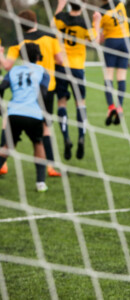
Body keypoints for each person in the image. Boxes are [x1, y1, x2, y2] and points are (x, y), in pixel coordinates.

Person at [0, 9, 64, 177]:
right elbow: (60, 60)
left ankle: (3, 164)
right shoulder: (50, 37)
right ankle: (49, 167)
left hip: (22, 92)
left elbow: (7, 66)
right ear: (35, 21)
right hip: (47, 90)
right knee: (45, 129)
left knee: (8, 124)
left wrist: (0, 55)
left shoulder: (18, 41)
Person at [53, 0, 101, 160]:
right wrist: (96, 22)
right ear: (83, 6)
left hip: (60, 67)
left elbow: (53, 25)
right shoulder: (85, 23)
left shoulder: (61, 18)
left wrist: (60, 5)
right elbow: (95, 40)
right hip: (77, 68)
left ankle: (66, 137)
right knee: (80, 103)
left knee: (61, 102)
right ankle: (81, 136)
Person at [0, 43, 50, 192]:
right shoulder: (42, 71)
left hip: (14, 113)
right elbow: (43, 94)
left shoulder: (14, 70)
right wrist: (45, 115)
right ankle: (40, 182)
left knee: (7, 147)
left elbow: (1, 88)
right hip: (33, 114)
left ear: (22, 56)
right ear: (37, 56)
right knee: (38, 144)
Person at [99, 0, 130, 126]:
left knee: (108, 75)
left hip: (111, 42)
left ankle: (111, 106)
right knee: (121, 77)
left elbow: (99, 37)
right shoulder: (120, 4)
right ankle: (120, 106)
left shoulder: (101, 12)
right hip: (125, 41)